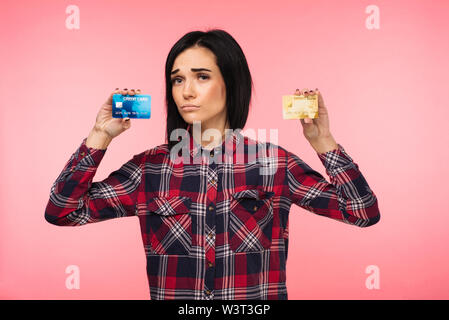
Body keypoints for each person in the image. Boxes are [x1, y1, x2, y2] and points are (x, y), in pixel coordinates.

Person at [45, 29, 380, 300]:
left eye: (201, 77)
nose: (187, 91)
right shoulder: (148, 170)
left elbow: (362, 212)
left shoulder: (274, 164)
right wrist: (100, 136)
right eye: (177, 80)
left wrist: (323, 142)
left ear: (230, 83)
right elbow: (63, 211)